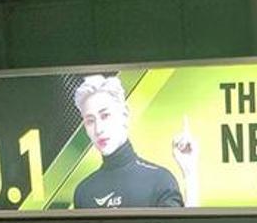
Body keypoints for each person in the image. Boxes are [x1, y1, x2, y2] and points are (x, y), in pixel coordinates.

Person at [72, 75, 199, 209]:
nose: (98, 129)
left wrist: (190, 173)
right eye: (90, 121)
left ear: (125, 114)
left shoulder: (159, 180)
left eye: (105, 115)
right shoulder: (83, 192)